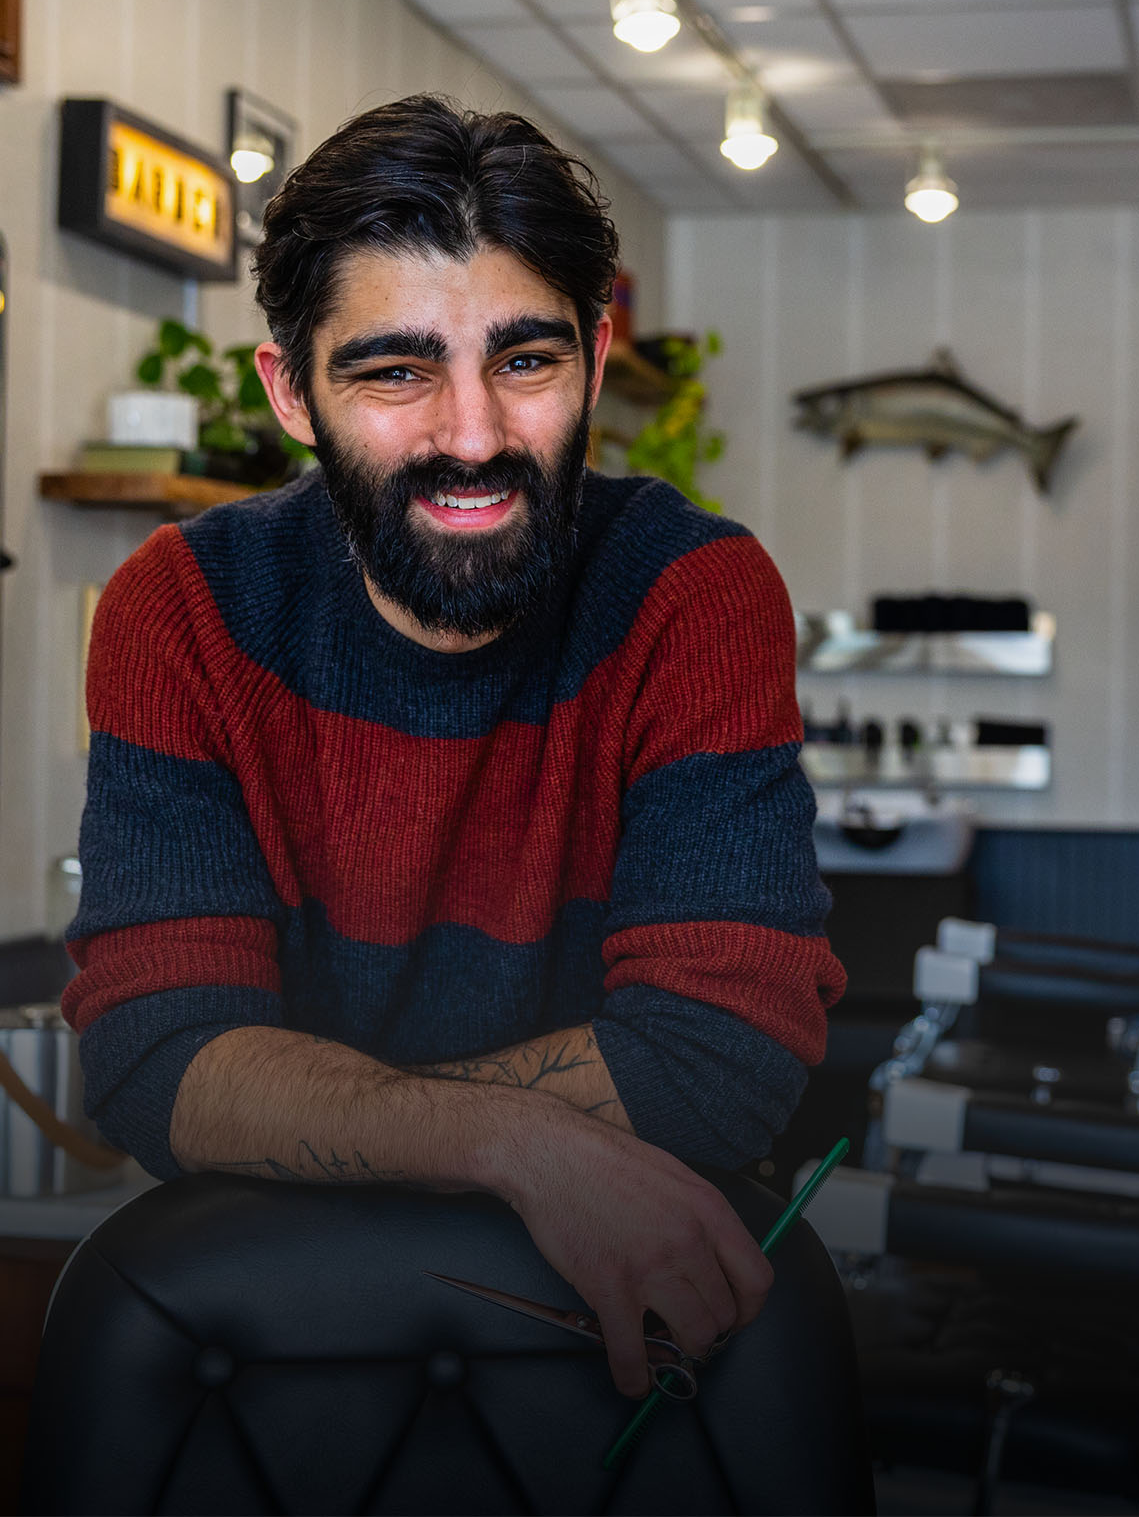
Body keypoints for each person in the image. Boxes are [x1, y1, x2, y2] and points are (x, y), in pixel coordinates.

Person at [63, 95, 844, 1399]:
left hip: (636, 1348)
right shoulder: (186, 607)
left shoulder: (691, 594)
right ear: (291, 392)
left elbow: (723, 1059)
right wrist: (505, 1143)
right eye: (395, 370)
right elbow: (154, 1061)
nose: (472, 436)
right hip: (273, 1354)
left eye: (525, 362)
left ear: (594, 361)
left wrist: (309, 1107)